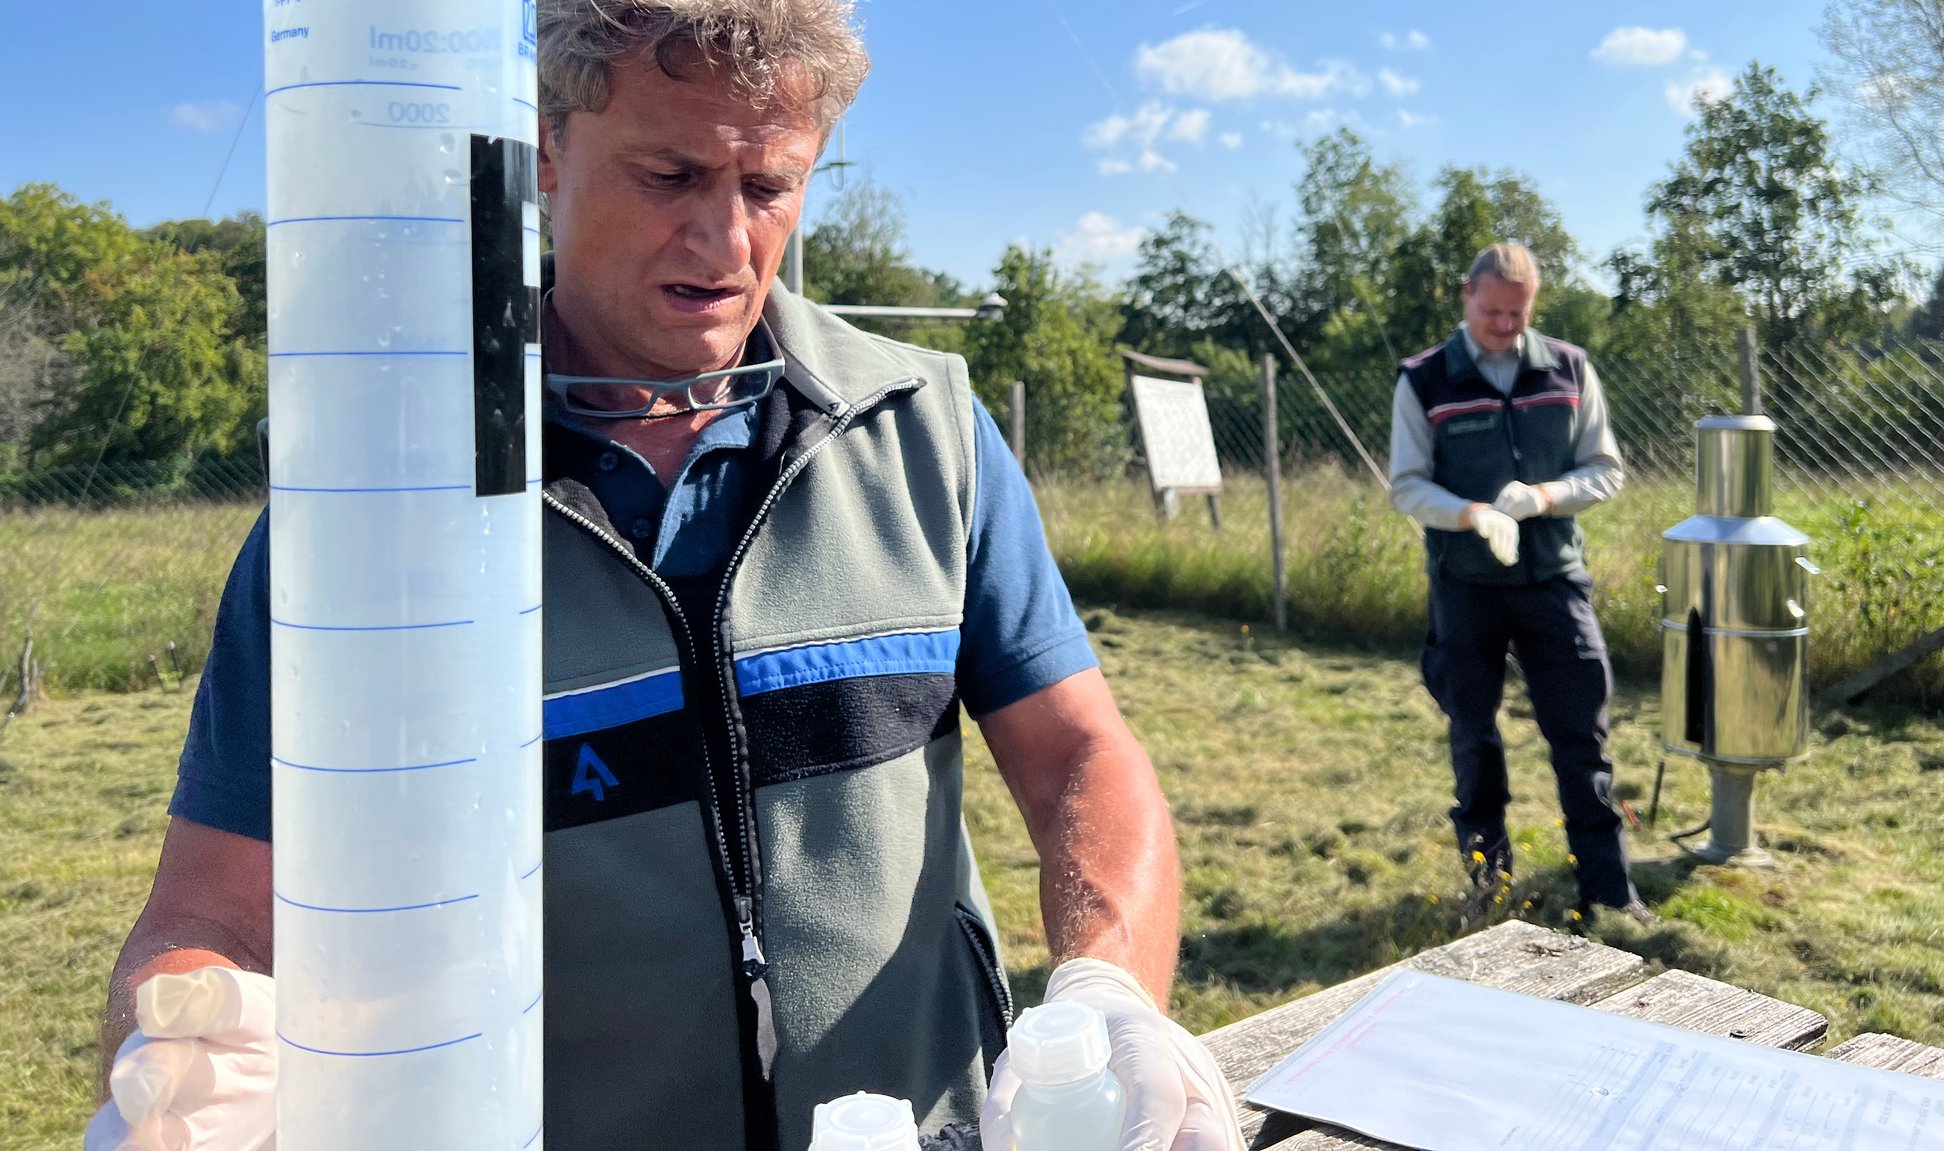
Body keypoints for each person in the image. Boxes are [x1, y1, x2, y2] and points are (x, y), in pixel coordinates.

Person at [88, 3, 1245, 1150]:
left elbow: (1082, 755)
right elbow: (212, 919)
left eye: (768, 186)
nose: (723, 241)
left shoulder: (922, 429)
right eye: (668, 173)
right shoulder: (368, 519)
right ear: (544, 149)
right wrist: (187, 1058)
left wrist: (1109, 987)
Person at [1387, 242, 1650, 927]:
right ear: (1467, 296)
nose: (1506, 325)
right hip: (1464, 581)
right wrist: (1470, 514)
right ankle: (1488, 886)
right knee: (1474, 734)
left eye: (1518, 312)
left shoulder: (1568, 368)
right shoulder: (1423, 380)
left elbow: (1606, 469)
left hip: (1554, 575)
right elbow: (1408, 484)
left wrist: (1542, 497)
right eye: (1494, 310)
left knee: (1581, 735)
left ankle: (1610, 892)